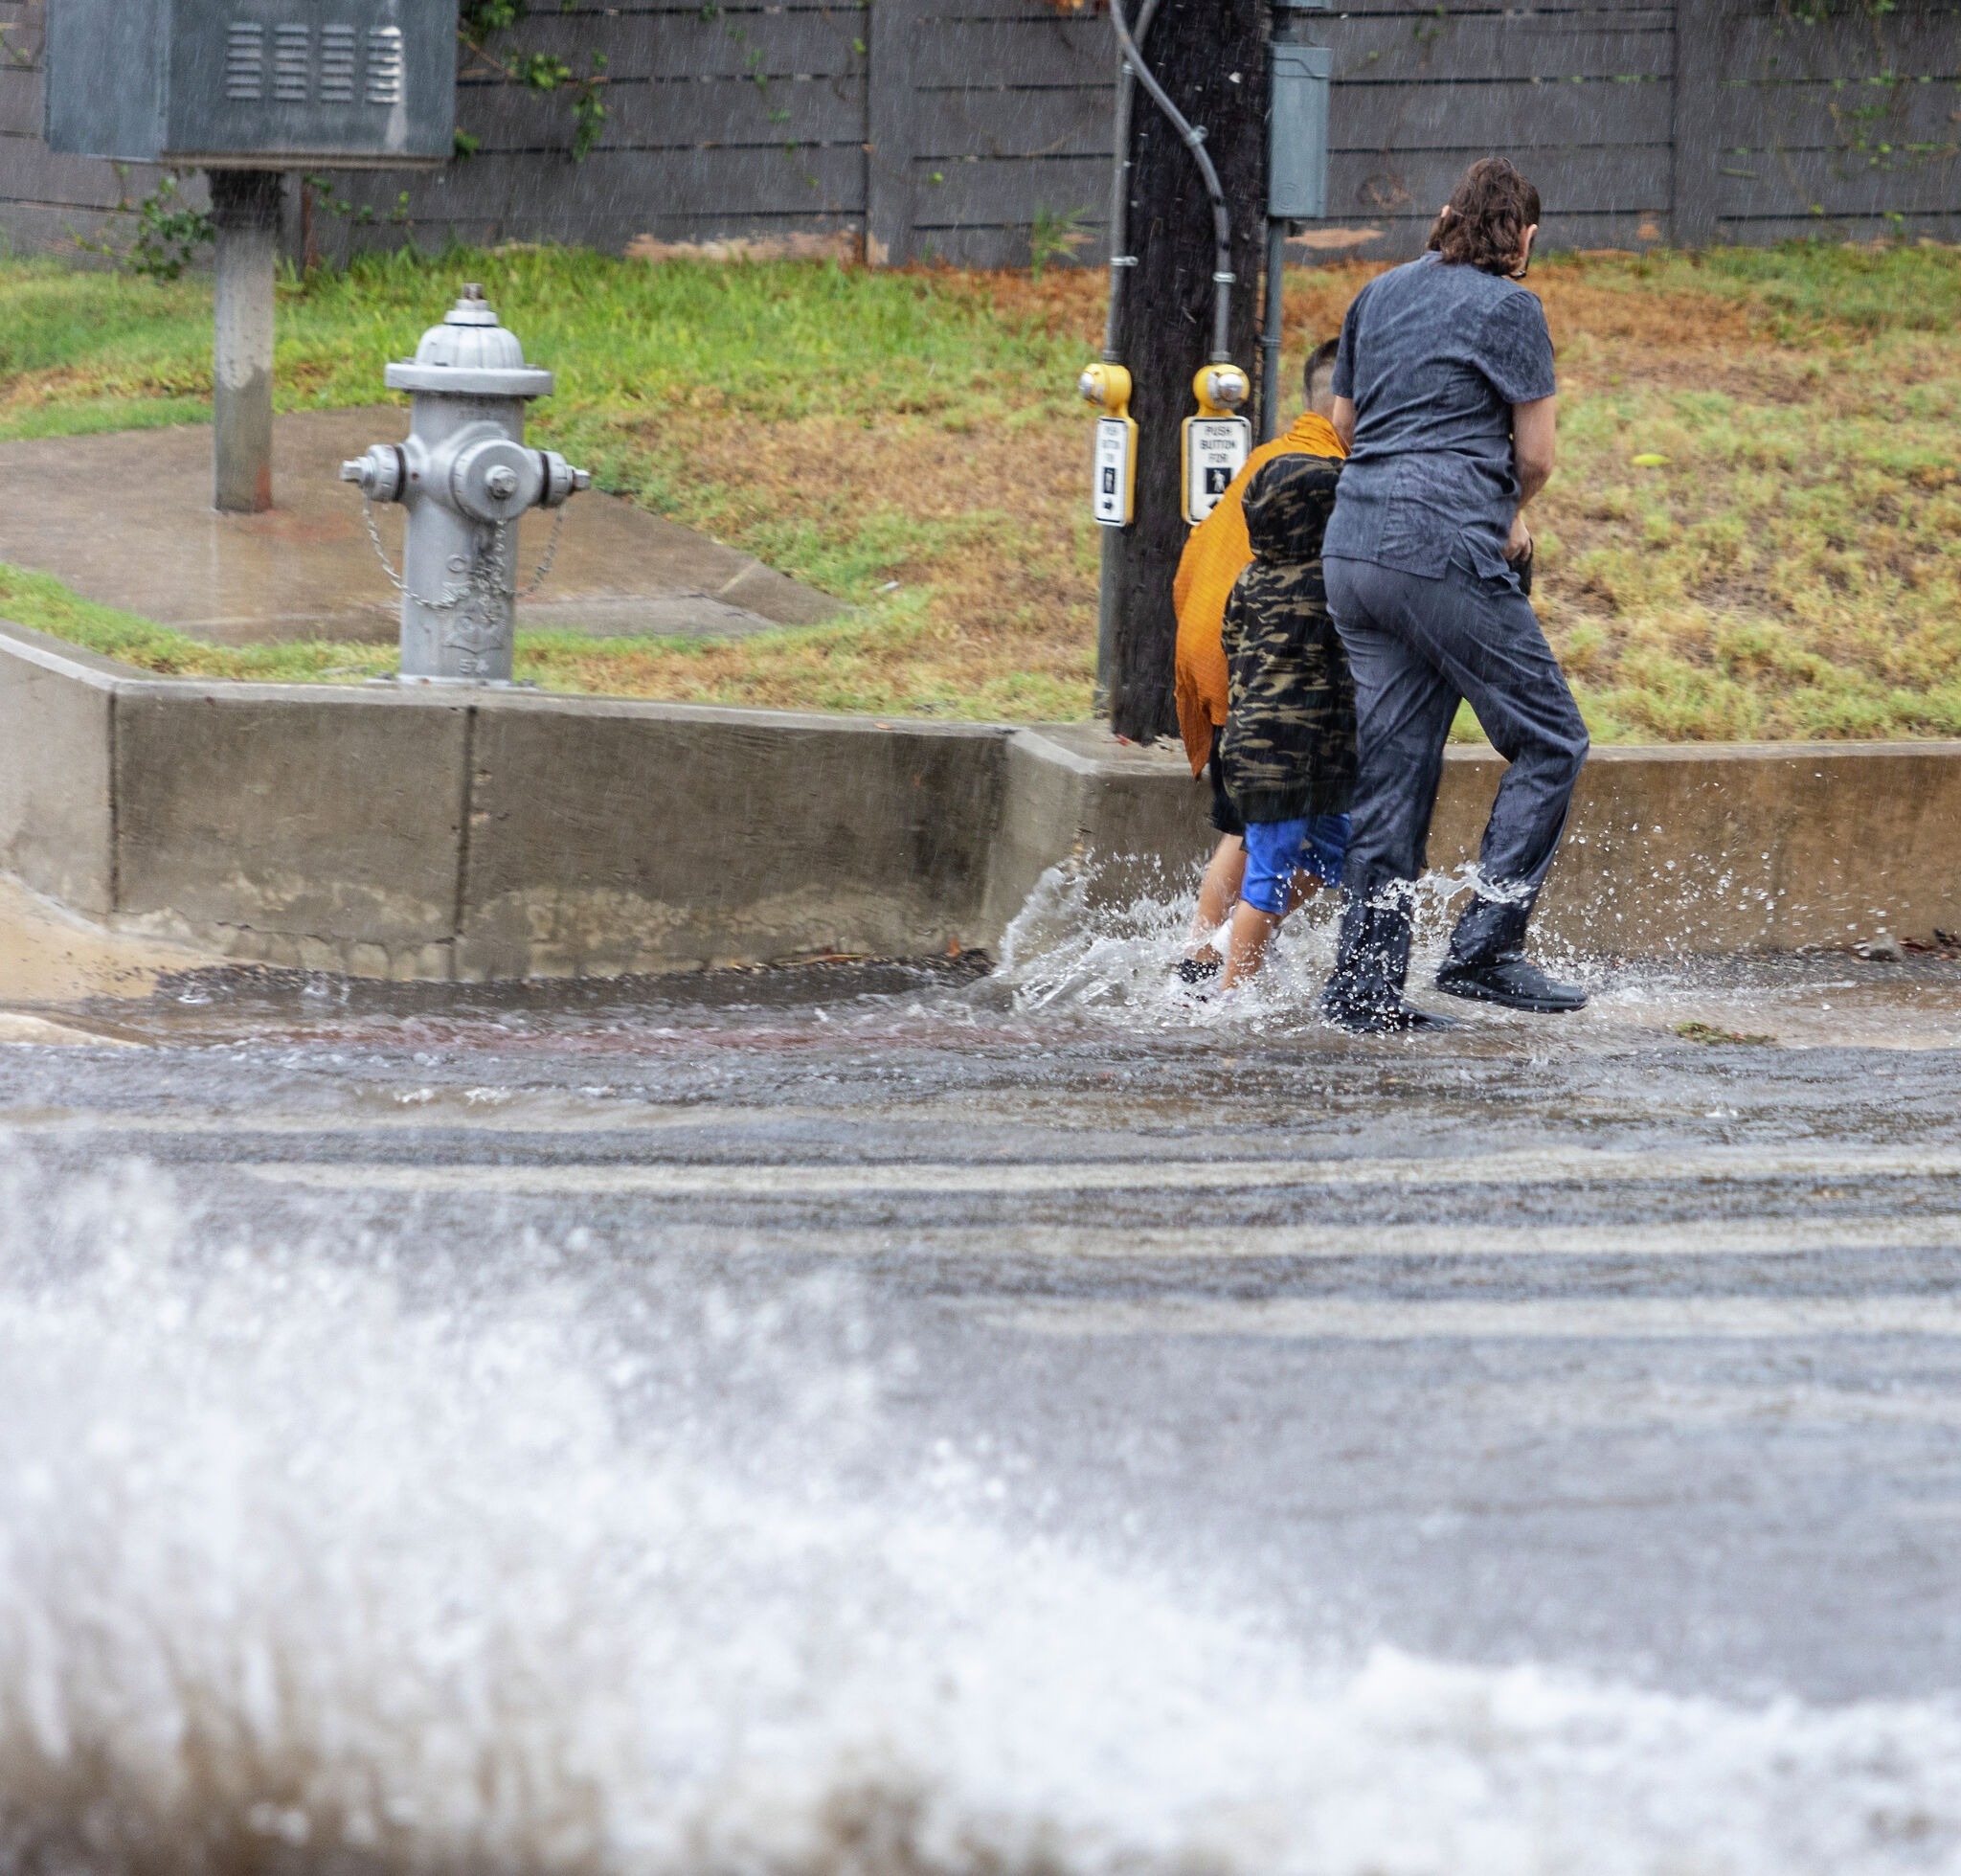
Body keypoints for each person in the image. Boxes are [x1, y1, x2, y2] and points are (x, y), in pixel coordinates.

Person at [1317, 157, 1589, 1033]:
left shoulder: (1379, 292)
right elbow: (1538, 455)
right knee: (1551, 739)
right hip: (1440, 549)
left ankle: (1364, 988)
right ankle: (1483, 949)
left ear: (1445, 219)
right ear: (1526, 236)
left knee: (1394, 775)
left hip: (1353, 550)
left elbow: (1345, 426)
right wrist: (1505, 511)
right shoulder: (1514, 307)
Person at [1172, 340, 1348, 983]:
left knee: (1252, 836)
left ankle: (1202, 953)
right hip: (1274, 704)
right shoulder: (1322, 481)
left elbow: (1197, 560)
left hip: (1220, 664)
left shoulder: (1268, 465)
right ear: (1349, 404)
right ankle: (1226, 962)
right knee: (1281, 853)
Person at [1214, 449, 1353, 991]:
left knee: (1333, 854)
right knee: (1267, 876)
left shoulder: (1249, 580)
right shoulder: (1325, 581)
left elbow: (1231, 643)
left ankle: (1236, 940)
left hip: (1278, 752)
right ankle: (1233, 994)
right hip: (1284, 759)